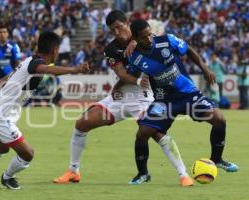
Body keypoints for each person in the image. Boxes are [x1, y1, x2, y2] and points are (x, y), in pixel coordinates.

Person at [53, 10, 193, 186]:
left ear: (127, 23)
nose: (117, 33)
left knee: (158, 134)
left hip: (142, 98)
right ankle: (73, 171)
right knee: (82, 123)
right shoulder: (111, 49)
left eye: (119, 27)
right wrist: (134, 80)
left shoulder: (147, 38)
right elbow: (122, 74)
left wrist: (135, 43)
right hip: (119, 98)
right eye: (113, 30)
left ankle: (183, 175)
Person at [0, 31, 90, 190]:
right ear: (55, 50)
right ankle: (7, 177)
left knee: (1, 148)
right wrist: (75, 70)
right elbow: (46, 69)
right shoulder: (34, 64)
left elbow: (4, 80)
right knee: (28, 153)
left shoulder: (27, 62)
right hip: (1, 116)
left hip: (2, 112)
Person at [126, 19, 238, 175]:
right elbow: (130, 74)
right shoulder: (134, 58)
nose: (149, 39)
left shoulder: (167, 40)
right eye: (144, 37)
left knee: (219, 119)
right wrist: (138, 81)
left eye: (150, 34)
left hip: (188, 94)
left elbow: (189, 50)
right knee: (143, 133)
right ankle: (142, 174)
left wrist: (205, 70)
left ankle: (217, 160)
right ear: (136, 39)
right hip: (164, 101)